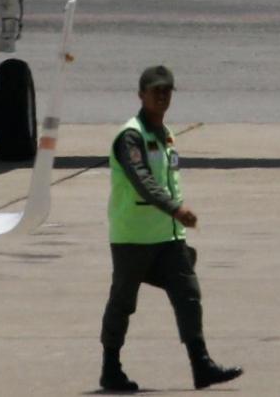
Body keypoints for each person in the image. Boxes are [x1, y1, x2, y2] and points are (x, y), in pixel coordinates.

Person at [102, 65, 240, 393]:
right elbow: (142, 180)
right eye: (156, 91)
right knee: (122, 303)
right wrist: (175, 209)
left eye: (167, 91)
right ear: (141, 95)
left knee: (188, 294)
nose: (162, 96)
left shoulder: (165, 134)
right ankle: (110, 369)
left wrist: (175, 219)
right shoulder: (131, 136)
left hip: (168, 238)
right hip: (133, 237)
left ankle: (201, 365)